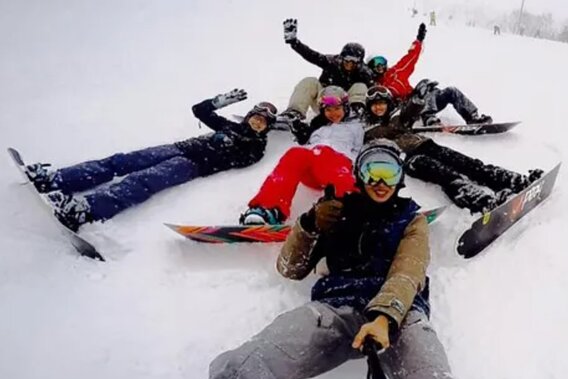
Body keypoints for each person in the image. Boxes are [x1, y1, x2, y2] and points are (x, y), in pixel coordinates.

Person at [172, 140, 473, 379]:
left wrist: (383, 317)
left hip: (400, 315)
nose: (380, 183)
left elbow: (409, 271)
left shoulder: (412, 220)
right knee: (243, 367)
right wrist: (308, 225)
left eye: (389, 172)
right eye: (372, 171)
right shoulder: (337, 213)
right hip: (334, 310)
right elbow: (290, 268)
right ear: (359, 174)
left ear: (400, 178)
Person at [25, 89, 276, 231]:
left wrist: (230, 147)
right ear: (249, 116)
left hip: (192, 165)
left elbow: (245, 160)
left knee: (143, 181)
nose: (257, 122)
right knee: (121, 161)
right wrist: (219, 101)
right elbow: (199, 111)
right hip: (178, 148)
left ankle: (85, 209)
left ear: (265, 128)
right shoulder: (228, 124)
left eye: (263, 122)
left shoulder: (256, 146)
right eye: (256, 116)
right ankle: (56, 179)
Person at [362, 83, 542, 213]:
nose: (379, 107)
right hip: (409, 159)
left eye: (382, 103)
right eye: (375, 105)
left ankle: (514, 181)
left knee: (469, 165)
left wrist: (417, 98)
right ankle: (482, 202)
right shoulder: (370, 131)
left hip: (425, 145)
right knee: (446, 175)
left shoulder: (397, 117)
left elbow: (411, 111)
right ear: (369, 107)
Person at [240, 85, 363, 225]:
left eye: (337, 109)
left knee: (325, 153)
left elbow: (360, 152)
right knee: (295, 153)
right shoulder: (318, 126)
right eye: (328, 110)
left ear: (345, 107)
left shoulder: (356, 126)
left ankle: (351, 209)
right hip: (313, 168)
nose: (333, 113)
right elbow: (306, 142)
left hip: (338, 168)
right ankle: (269, 209)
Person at [365, 24, 492, 126]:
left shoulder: (396, 72)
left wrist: (419, 40)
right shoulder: (375, 87)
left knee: (447, 90)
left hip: (420, 100)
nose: (380, 67)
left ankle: (472, 118)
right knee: (421, 90)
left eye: (382, 62)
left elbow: (411, 57)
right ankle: (429, 118)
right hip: (405, 111)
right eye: (376, 64)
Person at [278, 18, 374, 122]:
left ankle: (355, 113)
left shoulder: (364, 72)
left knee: (360, 86)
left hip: (345, 107)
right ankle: (294, 113)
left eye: (354, 62)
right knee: (310, 81)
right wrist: (294, 42)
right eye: (346, 60)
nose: (349, 64)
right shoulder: (331, 62)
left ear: (360, 62)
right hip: (324, 103)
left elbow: (374, 90)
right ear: (341, 58)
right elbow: (310, 55)